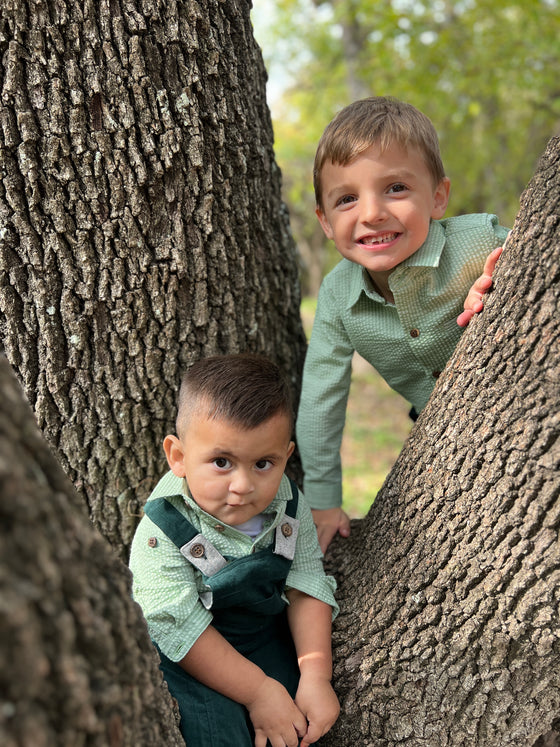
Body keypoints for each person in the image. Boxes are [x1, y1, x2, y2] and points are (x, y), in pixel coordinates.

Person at [296, 96, 509, 552]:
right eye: (347, 198)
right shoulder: (336, 296)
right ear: (326, 223)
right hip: (440, 434)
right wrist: (323, 501)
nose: (371, 212)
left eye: (395, 188)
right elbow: (321, 398)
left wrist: (503, 281)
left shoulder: (480, 241)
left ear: (437, 196)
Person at [129, 354, 339, 747]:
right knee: (219, 735)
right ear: (178, 456)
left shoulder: (289, 506)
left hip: (263, 636)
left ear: (286, 457)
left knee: (302, 722)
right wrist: (259, 693)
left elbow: (305, 582)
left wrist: (315, 676)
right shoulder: (163, 530)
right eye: (222, 462)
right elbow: (178, 625)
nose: (243, 485)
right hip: (193, 653)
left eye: (263, 463)